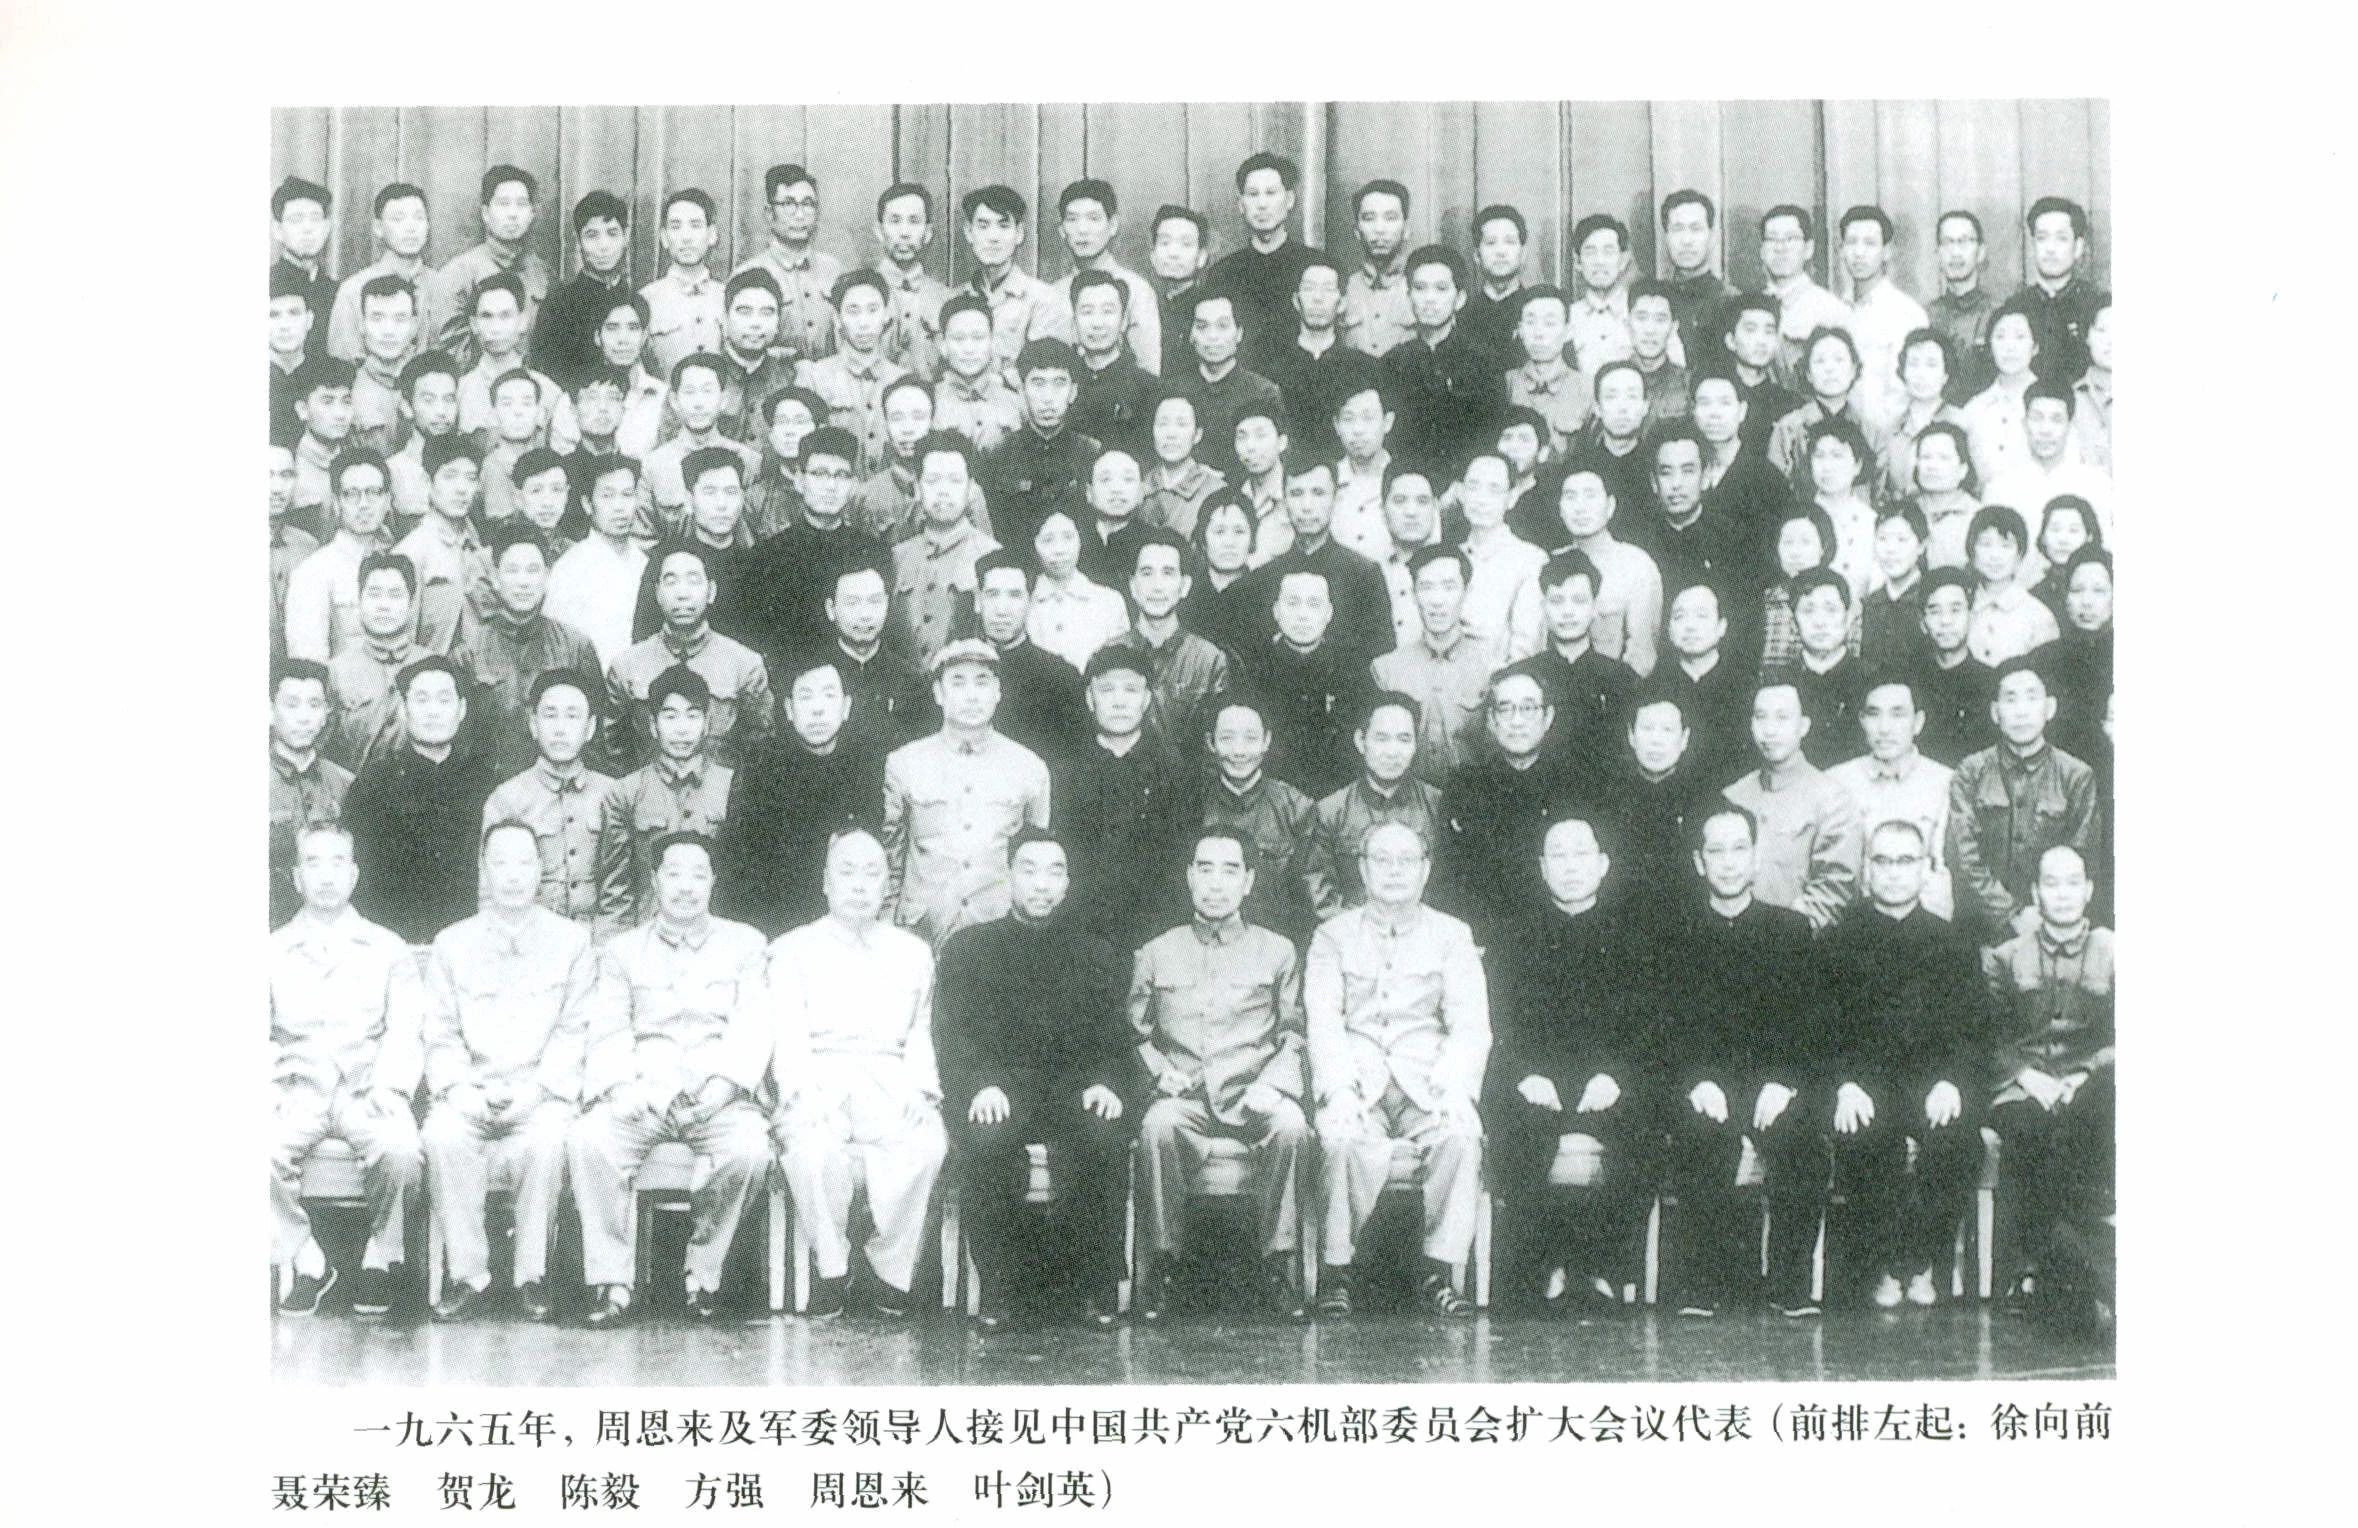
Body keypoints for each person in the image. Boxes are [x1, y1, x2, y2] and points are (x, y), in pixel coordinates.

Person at [568, 832, 774, 1326]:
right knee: (589, 1139)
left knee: (749, 1150)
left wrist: (723, 1087)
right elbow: (608, 1029)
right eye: (674, 874)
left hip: (719, 1094)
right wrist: (627, 1089)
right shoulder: (621, 951)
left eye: (698, 875)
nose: (686, 886)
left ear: (713, 881)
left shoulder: (745, 944)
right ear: (656, 880)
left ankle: (704, 1275)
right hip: (646, 1093)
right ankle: (612, 1281)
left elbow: (753, 1025)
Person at [935, 828, 1135, 1330]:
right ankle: (999, 1287)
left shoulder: (1096, 954)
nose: (1042, 884)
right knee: (986, 1134)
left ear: (1067, 882)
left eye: (1055, 872)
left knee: (1105, 1132)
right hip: (1000, 1085)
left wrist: (1105, 1082)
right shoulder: (969, 949)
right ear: (1008, 876)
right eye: (1029, 870)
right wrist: (979, 1084)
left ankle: (1094, 1287)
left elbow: (1113, 1036)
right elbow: (953, 1033)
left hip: (1073, 1085)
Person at [1307, 820, 1491, 1320]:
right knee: (1339, 1138)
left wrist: (1456, 1090)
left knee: (1461, 1136)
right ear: (1362, 869)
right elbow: (1323, 1021)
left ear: (1425, 870)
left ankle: (1439, 1272)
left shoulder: (1452, 935)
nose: (1394, 871)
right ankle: (1336, 1273)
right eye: (1381, 860)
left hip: (1428, 1083)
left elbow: (1470, 1023)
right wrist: (1339, 1090)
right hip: (1359, 1079)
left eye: (1406, 861)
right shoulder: (1332, 936)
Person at [1128, 829, 1313, 1321]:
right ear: (1189, 876)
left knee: (1292, 1126)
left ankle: (1278, 1266)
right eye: (1204, 869)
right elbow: (1133, 1034)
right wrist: (1158, 1071)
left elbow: (1294, 1034)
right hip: (1186, 1097)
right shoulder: (1155, 952)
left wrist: (1273, 1085)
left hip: (1254, 1095)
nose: (1216, 883)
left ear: (1248, 881)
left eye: (1230, 870)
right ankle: (1163, 1266)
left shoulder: (1278, 951)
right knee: (1157, 1125)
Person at [764, 828, 949, 1318]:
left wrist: (921, 1091)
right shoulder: (791, 949)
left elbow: (920, 1031)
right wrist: (800, 1092)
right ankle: (832, 1268)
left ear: (888, 884)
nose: (860, 885)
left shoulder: (913, 952)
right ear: (825, 882)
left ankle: (889, 1270)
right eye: (847, 872)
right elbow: (788, 1033)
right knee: (810, 1148)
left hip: (889, 1077)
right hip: (819, 1073)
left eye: (872, 873)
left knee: (927, 1144)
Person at [419, 818, 597, 1322]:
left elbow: (574, 1030)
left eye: (524, 862)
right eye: (500, 862)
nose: (513, 875)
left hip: (539, 1093)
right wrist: (461, 1090)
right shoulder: (452, 943)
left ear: (541, 869)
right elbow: (440, 1034)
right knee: (441, 1136)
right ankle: (468, 1275)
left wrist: (536, 1091)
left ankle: (531, 1276)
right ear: (484, 870)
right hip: (470, 1090)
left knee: (547, 1142)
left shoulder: (571, 941)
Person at [1486, 814, 1660, 1312]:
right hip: (1535, 1077)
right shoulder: (1512, 936)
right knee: (1520, 1128)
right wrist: (1525, 1074)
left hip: (1609, 1079)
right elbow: (1499, 1021)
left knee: (1643, 1127)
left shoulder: (1636, 936)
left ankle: (1605, 1266)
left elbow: (1648, 1025)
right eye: (1557, 855)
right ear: (1542, 867)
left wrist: (1616, 1076)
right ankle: (1546, 1266)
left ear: (1603, 864)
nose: (1570, 866)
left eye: (1581, 854)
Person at [1816, 820, 1989, 1308]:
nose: (1893, 872)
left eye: (1905, 861)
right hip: (1864, 1086)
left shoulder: (1953, 943)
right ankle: (1887, 1265)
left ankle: (1926, 1260)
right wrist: (1844, 1084)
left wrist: (1951, 1081)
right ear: (1867, 868)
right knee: (1865, 1135)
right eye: (1883, 861)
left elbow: (1973, 1030)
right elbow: (1820, 1030)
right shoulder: (1836, 941)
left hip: (1931, 1085)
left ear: (1926, 869)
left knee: (1959, 1139)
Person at [1666, 804, 1820, 1317]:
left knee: (1803, 1142)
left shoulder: (1791, 930)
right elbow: (1663, 1026)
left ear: (1756, 857)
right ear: (1699, 861)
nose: (1729, 862)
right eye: (1716, 851)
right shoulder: (1676, 933)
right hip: (1704, 1082)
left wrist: (1784, 1082)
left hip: (1771, 1083)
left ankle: (1788, 1284)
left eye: (1739, 849)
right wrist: (1696, 1081)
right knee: (1701, 1134)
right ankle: (1703, 1284)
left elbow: (1809, 1023)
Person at [270, 822, 427, 1319]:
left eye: (338, 862)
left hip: (366, 1086)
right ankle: (305, 1256)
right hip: (295, 1087)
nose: (326, 876)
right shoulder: (269, 951)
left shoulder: (387, 947)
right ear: (297, 877)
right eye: (313, 863)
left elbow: (406, 1028)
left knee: (401, 1150)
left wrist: (392, 1087)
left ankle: (380, 1255)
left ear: (354, 875)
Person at [1980, 844, 2114, 1322]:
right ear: (2035, 893)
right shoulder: (2004, 957)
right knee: (2031, 1131)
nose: (2063, 894)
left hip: (2088, 1086)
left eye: (2073, 882)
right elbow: (1987, 1038)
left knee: (2087, 1129)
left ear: (2089, 890)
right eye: (2051, 883)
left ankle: (2062, 1272)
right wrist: (2025, 1075)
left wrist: (2086, 1073)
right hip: (2021, 1087)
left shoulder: (2116, 953)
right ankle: (2033, 1269)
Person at [882, 640, 1053, 949]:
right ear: (939, 693)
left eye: (982, 682)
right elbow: (890, 856)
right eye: (958, 682)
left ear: (998, 692)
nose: (971, 696)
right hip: (922, 933)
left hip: (997, 935)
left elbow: (1036, 860)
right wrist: (886, 931)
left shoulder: (1029, 768)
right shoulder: (904, 763)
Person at [714, 654, 885, 937]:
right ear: (789, 710)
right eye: (806, 697)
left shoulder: (865, 766)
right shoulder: (762, 768)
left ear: (846, 707)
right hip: (775, 925)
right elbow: (739, 867)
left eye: (828, 696)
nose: (817, 709)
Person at [342, 656, 501, 942]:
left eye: (444, 700)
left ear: (462, 710)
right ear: (403, 710)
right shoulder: (373, 785)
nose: (433, 712)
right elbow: (359, 880)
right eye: (421, 700)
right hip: (394, 941)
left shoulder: (485, 782)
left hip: (473, 941)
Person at [1948, 656, 2100, 944]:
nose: (2021, 711)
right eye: (2010, 699)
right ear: (1995, 712)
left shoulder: (2076, 776)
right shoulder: (1970, 772)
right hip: (1979, 933)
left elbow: (2080, 858)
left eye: (2031, 698)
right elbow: (1963, 858)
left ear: (2049, 708)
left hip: (2053, 932)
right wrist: (2012, 914)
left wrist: (2043, 913)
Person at [1061, 643, 1202, 952]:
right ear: (1090, 699)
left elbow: (1181, 858)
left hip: (1154, 931)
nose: (1119, 702)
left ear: (1147, 698)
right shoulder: (1067, 770)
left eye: (1131, 690)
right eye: (1107, 690)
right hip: (1080, 930)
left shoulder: (1174, 770)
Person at [1437, 662, 1587, 942]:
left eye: (1528, 708)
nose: (1517, 721)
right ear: (1491, 720)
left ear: (1548, 717)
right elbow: (1449, 877)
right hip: (1487, 939)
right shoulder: (1465, 785)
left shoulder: (1576, 786)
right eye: (1505, 709)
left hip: (1561, 936)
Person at [603, 543, 774, 773]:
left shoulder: (745, 666)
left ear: (711, 591)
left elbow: (761, 750)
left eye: (693, 581)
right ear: (657, 593)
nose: (682, 594)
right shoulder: (627, 667)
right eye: (671, 582)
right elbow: (615, 753)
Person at [451, 525, 603, 780]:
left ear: (547, 576)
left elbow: (595, 739)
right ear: (495, 579)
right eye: (512, 570)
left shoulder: (576, 646)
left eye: (533, 570)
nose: (523, 582)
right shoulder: (468, 652)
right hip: (490, 787)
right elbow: (460, 744)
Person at [595, 666, 735, 939]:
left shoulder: (732, 786)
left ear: (707, 723)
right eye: (670, 716)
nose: (682, 729)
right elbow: (616, 890)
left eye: (692, 716)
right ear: (653, 725)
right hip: (648, 935)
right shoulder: (625, 792)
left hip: (714, 936)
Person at [734, 427, 887, 667]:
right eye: (819, 474)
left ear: (853, 484)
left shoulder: (872, 553)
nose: (831, 486)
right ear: (799, 480)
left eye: (841, 475)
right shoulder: (767, 557)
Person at [1721, 679, 1861, 933]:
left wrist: (1781, 935)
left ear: (1803, 726)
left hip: (1796, 943)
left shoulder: (1832, 799)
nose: (1770, 730)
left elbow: (1834, 889)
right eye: (1760, 717)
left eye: (1782, 717)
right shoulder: (1734, 795)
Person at [482, 669, 615, 927]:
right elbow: (488, 890)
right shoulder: (506, 799)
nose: (560, 729)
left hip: (599, 935)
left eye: (572, 716)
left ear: (590, 728)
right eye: (550, 715)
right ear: (533, 725)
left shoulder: (613, 794)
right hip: (532, 935)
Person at [1828, 675, 1957, 921]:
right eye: (1874, 714)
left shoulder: (1946, 783)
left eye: (1898, 714)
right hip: (1852, 926)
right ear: (1862, 720)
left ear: (1918, 722)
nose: (1884, 728)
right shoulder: (1836, 783)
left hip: (1924, 927)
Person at [1198, 692, 1322, 946]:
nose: (1239, 751)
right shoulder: (1191, 805)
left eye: (1251, 738)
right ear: (1211, 743)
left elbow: (1310, 896)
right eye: (1227, 739)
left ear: (1266, 741)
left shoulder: (1296, 808)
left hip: (1274, 947)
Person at [1597, 682, 1723, 919]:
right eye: (1647, 729)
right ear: (1631, 736)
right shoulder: (1607, 799)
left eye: (1667, 730)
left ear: (1684, 739)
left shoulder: (1707, 801)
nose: (1656, 740)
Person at [1370, 545, 1490, 785]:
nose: (1437, 601)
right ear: (1413, 594)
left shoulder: (1491, 668)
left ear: (1467, 591)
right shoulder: (1386, 671)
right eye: (1426, 587)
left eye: (1449, 587)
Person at [1380, 245, 1505, 470]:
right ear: (1408, 296)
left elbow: (1489, 436)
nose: (1429, 299)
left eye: (1441, 289)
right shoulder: (1392, 363)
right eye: (1420, 288)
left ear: (1460, 298)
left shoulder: (1483, 362)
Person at [1104, 529, 1234, 744]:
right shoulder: (1109, 654)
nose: (1157, 586)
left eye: (1168, 573)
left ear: (1185, 586)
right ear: (1132, 586)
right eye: (1147, 573)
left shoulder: (1210, 660)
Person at [1524, 549, 1640, 788]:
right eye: (1557, 601)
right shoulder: (1524, 677)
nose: (1567, 612)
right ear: (1543, 607)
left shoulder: (1623, 679)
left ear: (1594, 607)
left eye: (1579, 600)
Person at [1541, 453, 1664, 676]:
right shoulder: (1548, 562)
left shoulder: (1637, 566)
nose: (1580, 507)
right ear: (1560, 508)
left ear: (1610, 506)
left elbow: (1642, 657)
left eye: (1590, 496)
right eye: (1570, 497)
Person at [885, 433, 1000, 664]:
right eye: (933, 480)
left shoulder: (992, 556)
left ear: (971, 488)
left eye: (955, 480)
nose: (943, 491)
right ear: (917, 487)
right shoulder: (896, 558)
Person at [983, 340, 1100, 556]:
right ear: (1022, 391)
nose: (1048, 398)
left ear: (1073, 392)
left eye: (1059, 383)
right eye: (1038, 383)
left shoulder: (1090, 453)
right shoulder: (998, 454)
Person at [1206, 152, 1324, 367]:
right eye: (1253, 194)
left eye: (1271, 193)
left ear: (1289, 200)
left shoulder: (1316, 266)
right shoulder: (1222, 273)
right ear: (1241, 204)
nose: (1262, 204)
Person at [1261, 258, 1383, 465]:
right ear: (1296, 300)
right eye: (1309, 289)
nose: (1317, 298)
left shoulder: (1364, 367)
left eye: (1328, 290)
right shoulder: (1271, 367)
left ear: (1342, 303)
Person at [284, 447, 394, 663]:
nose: (364, 504)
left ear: (388, 500)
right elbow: (310, 664)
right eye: (352, 494)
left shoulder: (399, 560)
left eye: (373, 493)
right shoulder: (314, 572)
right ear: (336, 503)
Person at [797, 269, 910, 475]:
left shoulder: (903, 381)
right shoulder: (815, 378)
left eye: (873, 310)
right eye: (853, 311)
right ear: (837, 318)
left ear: (886, 314)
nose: (864, 323)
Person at [542, 454, 649, 669]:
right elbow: (556, 644)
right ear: (587, 504)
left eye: (627, 495)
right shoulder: (570, 568)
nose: (619, 507)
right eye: (607, 496)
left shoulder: (645, 562)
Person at [322, 552, 426, 771]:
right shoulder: (336, 672)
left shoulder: (431, 667)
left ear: (411, 603)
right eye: (374, 594)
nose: (384, 606)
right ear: (359, 600)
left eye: (395, 595)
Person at [269, 659, 353, 928]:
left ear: (327, 713)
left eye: (314, 705)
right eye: (292, 704)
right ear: (269, 710)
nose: (304, 717)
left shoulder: (345, 784)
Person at [960, 184, 1074, 380]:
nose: (993, 237)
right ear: (969, 232)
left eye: (1003, 226)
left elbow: (1047, 375)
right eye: (983, 226)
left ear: (1019, 233)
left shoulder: (1044, 300)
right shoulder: (956, 298)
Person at [736, 164, 846, 366]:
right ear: (769, 213)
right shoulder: (749, 273)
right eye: (789, 204)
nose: (800, 214)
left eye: (808, 204)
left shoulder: (833, 269)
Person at [394, 438, 494, 654]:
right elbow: (403, 639)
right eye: (450, 476)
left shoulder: (476, 544)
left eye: (471, 478)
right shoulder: (412, 551)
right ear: (427, 481)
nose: (462, 489)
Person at [1835, 204, 1930, 428]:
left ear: (1887, 251)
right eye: (1851, 242)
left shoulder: (1907, 314)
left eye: (1869, 243)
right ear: (1841, 250)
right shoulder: (1834, 312)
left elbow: (1908, 393)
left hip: (1886, 437)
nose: (1859, 253)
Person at [1177, 288, 1286, 481]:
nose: (1212, 336)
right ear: (1191, 335)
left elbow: (1274, 460)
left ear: (1239, 333)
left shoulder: (1263, 392)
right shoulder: (1174, 391)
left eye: (1222, 326)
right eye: (1202, 327)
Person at [1050, 179, 1159, 369]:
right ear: (1062, 230)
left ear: (1113, 225)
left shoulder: (1137, 289)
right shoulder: (1052, 293)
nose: (1082, 230)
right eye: (1072, 219)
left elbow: (1148, 369)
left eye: (1094, 218)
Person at [642, 356, 761, 527]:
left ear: (724, 400)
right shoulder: (653, 465)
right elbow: (644, 534)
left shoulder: (749, 461)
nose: (698, 403)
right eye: (689, 392)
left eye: (707, 391)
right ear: (674, 401)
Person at [1985, 383, 2112, 540]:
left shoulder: (2097, 486)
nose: (2045, 430)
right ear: (2024, 423)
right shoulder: (1999, 489)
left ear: (2070, 426)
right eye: (2036, 418)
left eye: (2056, 420)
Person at [532, 192, 634, 389]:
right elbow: (546, 379)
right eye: (592, 235)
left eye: (612, 233)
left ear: (626, 236)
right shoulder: (558, 304)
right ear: (578, 241)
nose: (603, 246)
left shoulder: (634, 299)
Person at [1454, 451, 1545, 666]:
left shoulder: (1530, 560)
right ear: (1461, 493)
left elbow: (1525, 649)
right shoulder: (1451, 556)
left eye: (1494, 490)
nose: (1481, 499)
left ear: (1511, 498)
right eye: (1473, 487)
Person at [1776, 568, 1868, 769]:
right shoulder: (1777, 683)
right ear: (1793, 622)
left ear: (1848, 618)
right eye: (1808, 611)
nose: (1820, 622)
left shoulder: (1871, 680)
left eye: (1831, 610)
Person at [2014, 197, 2109, 387]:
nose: (2050, 249)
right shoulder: (2016, 307)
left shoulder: (2098, 306)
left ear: (2078, 247)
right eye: (2042, 238)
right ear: (2032, 246)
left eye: (2061, 238)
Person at [1065, 270, 1159, 460]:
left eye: (1108, 311)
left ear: (1123, 322)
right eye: (1087, 312)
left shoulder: (1148, 388)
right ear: (1074, 322)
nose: (1097, 323)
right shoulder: (1063, 384)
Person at [1024, 511, 1129, 675]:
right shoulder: (1023, 602)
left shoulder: (1109, 601)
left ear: (1080, 540)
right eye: (1047, 540)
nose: (1059, 550)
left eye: (1068, 537)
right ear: (1033, 545)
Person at [455, 278, 560, 440]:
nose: (496, 328)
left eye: (505, 316)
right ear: (474, 324)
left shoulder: (549, 392)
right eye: (486, 316)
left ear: (523, 321)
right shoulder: (459, 392)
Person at [636, 189, 725, 378]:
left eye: (695, 225)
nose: (686, 237)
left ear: (712, 235)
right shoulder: (646, 299)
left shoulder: (727, 297)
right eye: (676, 227)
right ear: (664, 237)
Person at [1915, 569, 2000, 766]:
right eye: (1934, 611)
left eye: (1955, 610)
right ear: (1922, 622)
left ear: (1971, 616)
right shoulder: (1911, 681)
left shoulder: (1991, 682)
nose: (1945, 621)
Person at [1878, 330, 1969, 505]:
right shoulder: (1890, 429)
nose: (1921, 374)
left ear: (1946, 375)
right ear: (1903, 371)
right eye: (1913, 364)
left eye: (1931, 365)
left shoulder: (1963, 423)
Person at [871, 182, 952, 379]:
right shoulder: (860, 293)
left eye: (914, 221)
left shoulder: (945, 299)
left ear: (928, 233)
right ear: (879, 231)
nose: (904, 233)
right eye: (895, 221)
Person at [1758, 205, 1849, 375]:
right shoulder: (1752, 307)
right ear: (1762, 251)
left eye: (1790, 238)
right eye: (1772, 239)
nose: (1780, 247)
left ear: (1808, 249)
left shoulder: (1831, 311)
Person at [1964, 505, 2060, 666]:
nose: (1995, 556)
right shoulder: (1961, 606)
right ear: (1972, 551)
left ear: (2020, 555)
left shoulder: (2039, 616)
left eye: (2005, 546)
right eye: (1986, 544)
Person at [932, 294, 1026, 455]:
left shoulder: (1016, 403)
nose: (969, 349)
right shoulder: (930, 402)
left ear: (993, 342)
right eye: (958, 339)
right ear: (943, 344)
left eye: (978, 338)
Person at [1503, 286, 1593, 454]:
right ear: (1520, 330)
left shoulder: (1586, 389)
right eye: (1530, 322)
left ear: (1568, 332)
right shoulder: (1507, 384)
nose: (1539, 333)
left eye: (1549, 323)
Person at [713, 270, 796, 446]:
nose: (756, 323)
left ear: (778, 322)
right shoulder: (704, 376)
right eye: (745, 312)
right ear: (725, 318)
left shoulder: (790, 379)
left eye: (767, 313)